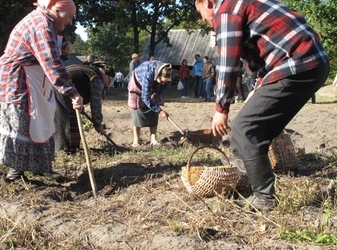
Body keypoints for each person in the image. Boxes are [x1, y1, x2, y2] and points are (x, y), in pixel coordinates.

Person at [195, 0, 329, 211]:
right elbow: (265, 55)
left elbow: (228, 64)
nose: (202, 18)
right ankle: (245, 177)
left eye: (200, 12)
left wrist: (221, 108)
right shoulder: (245, 4)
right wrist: (259, 87)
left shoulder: (226, 11)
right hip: (313, 62)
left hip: (297, 63)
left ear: (208, 2)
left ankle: (264, 198)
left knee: (245, 128)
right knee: (258, 129)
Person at [0, 0, 84, 183]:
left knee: (43, 120)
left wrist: (62, 50)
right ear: (56, 10)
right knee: (23, 122)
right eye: (69, 16)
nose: (70, 22)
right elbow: (52, 64)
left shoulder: (47, 23)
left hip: (35, 79)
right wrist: (73, 92)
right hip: (17, 79)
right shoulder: (41, 26)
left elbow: (44, 54)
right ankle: (16, 172)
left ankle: (42, 167)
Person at [54, 63, 115, 154]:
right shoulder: (96, 78)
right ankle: (68, 149)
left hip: (58, 86)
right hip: (65, 89)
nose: (108, 84)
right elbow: (96, 104)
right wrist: (98, 123)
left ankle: (66, 148)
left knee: (62, 117)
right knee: (68, 119)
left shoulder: (90, 71)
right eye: (109, 80)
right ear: (105, 74)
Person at [127, 60, 172, 147]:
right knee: (137, 110)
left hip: (152, 85)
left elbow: (163, 87)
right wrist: (160, 111)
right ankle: (136, 140)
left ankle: (153, 139)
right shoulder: (147, 75)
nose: (163, 83)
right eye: (162, 81)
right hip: (137, 84)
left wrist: (155, 93)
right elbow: (145, 97)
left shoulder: (168, 74)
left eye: (165, 82)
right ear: (157, 76)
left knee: (154, 109)